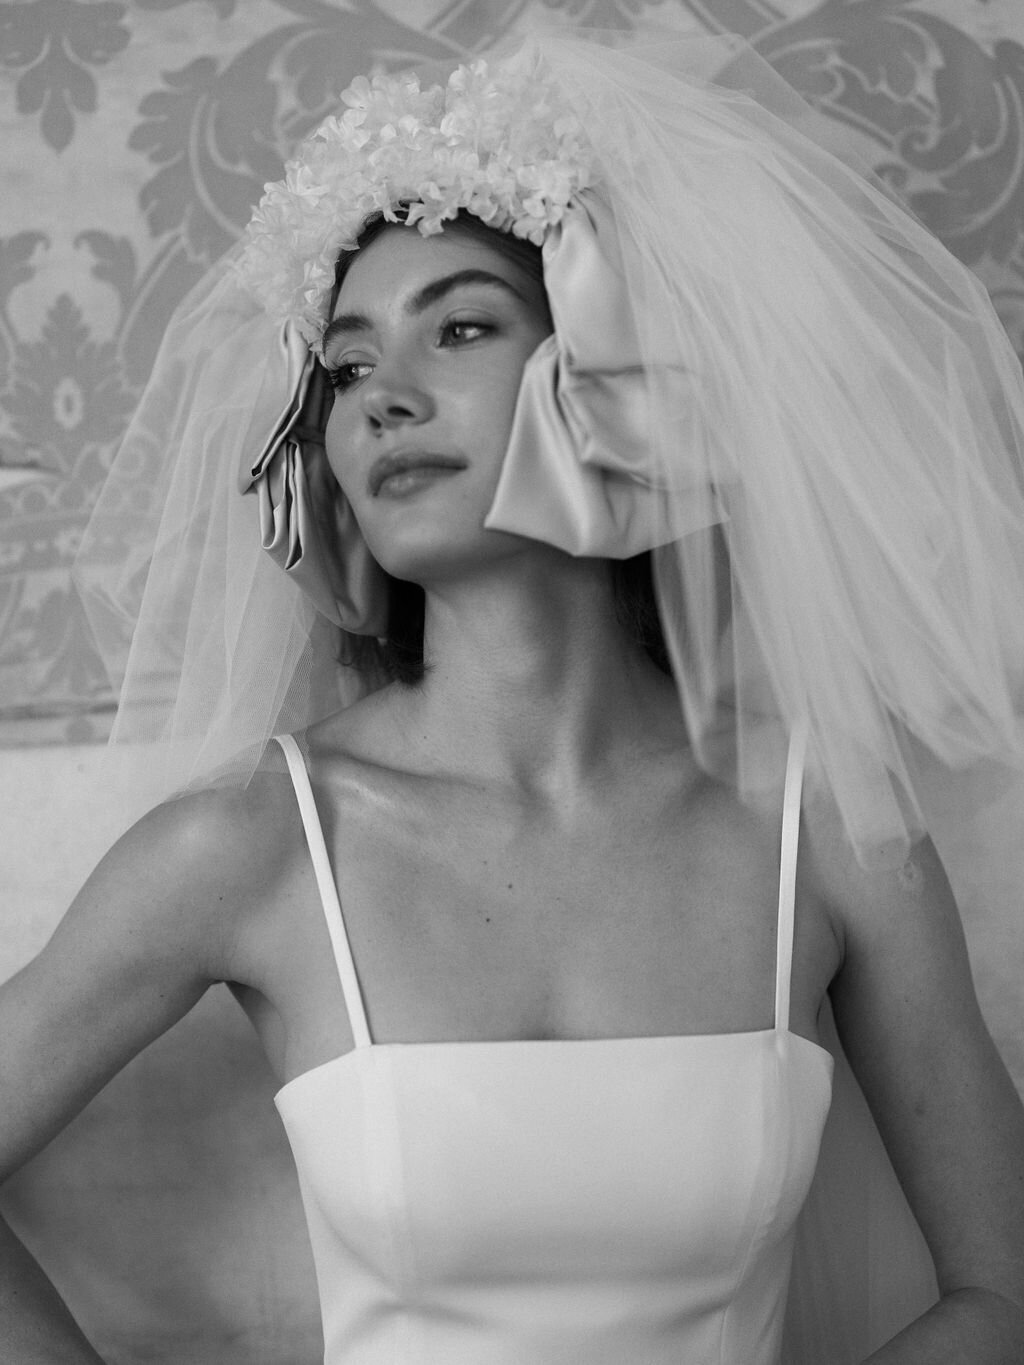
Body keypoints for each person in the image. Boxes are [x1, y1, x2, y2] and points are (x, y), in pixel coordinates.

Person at [3, 25, 1024, 1365]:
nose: (380, 403)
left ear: (617, 383)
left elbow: (1004, 1296)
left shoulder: (826, 822)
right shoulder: (252, 841)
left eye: (463, 327)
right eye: (350, 365)